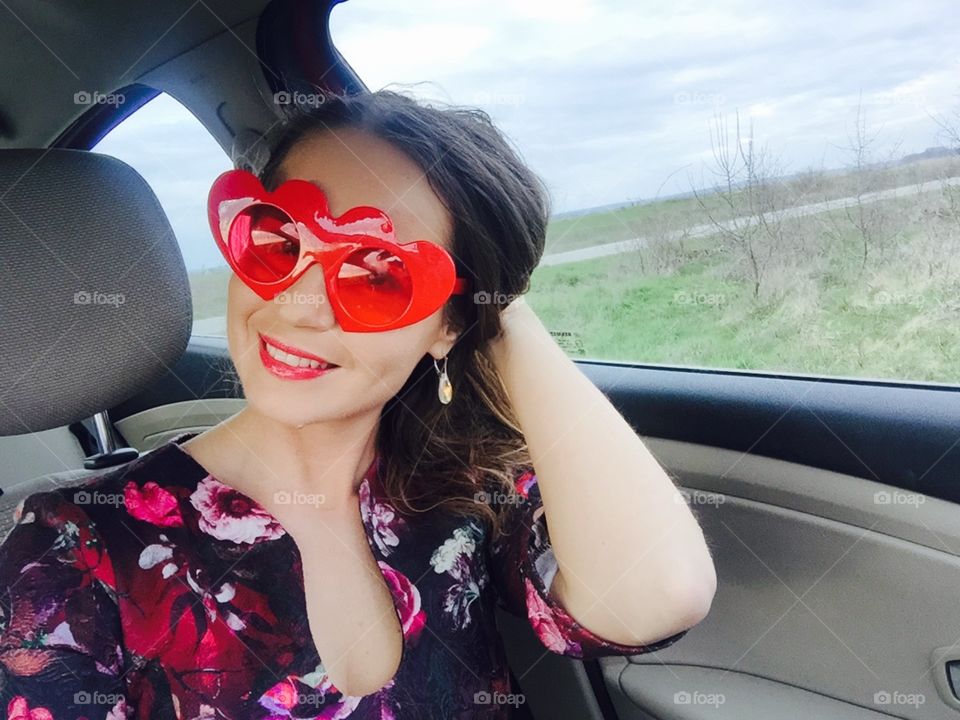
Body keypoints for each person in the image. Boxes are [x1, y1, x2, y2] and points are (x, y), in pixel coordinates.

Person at [0, 89, 716, 719]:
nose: (300, 306)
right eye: (278, 239)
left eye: (381, 276)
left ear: (450, 324)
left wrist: (499, 309)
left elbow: (656, 596)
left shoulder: (462, 486)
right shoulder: (69, 548)